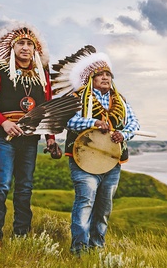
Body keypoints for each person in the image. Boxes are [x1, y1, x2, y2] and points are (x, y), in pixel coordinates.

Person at [0, 23, 57, 244]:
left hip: (30, 141)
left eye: (29, 44)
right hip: (5, 139)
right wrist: (4, 123)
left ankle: (21, 236)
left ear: (35, 49)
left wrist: (50, 139)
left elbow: (47, 109)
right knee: (1, 184)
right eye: (21, 43)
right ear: (13, 47)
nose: (25, 47)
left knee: (25, 188)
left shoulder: (43, 75)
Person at [53, 47, 140, 255]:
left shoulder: (120, 101)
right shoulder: (77, 97)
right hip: (83, 160)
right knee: (85, 202)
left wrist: (123, 135)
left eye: (108, 74)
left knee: (103, 208)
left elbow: (134, 123)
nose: (105, 77)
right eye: (100, 74)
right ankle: (79, 250)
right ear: (91, 77)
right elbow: (69, 121)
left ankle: (97, 247)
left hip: (111, 162)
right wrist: (93, 122)